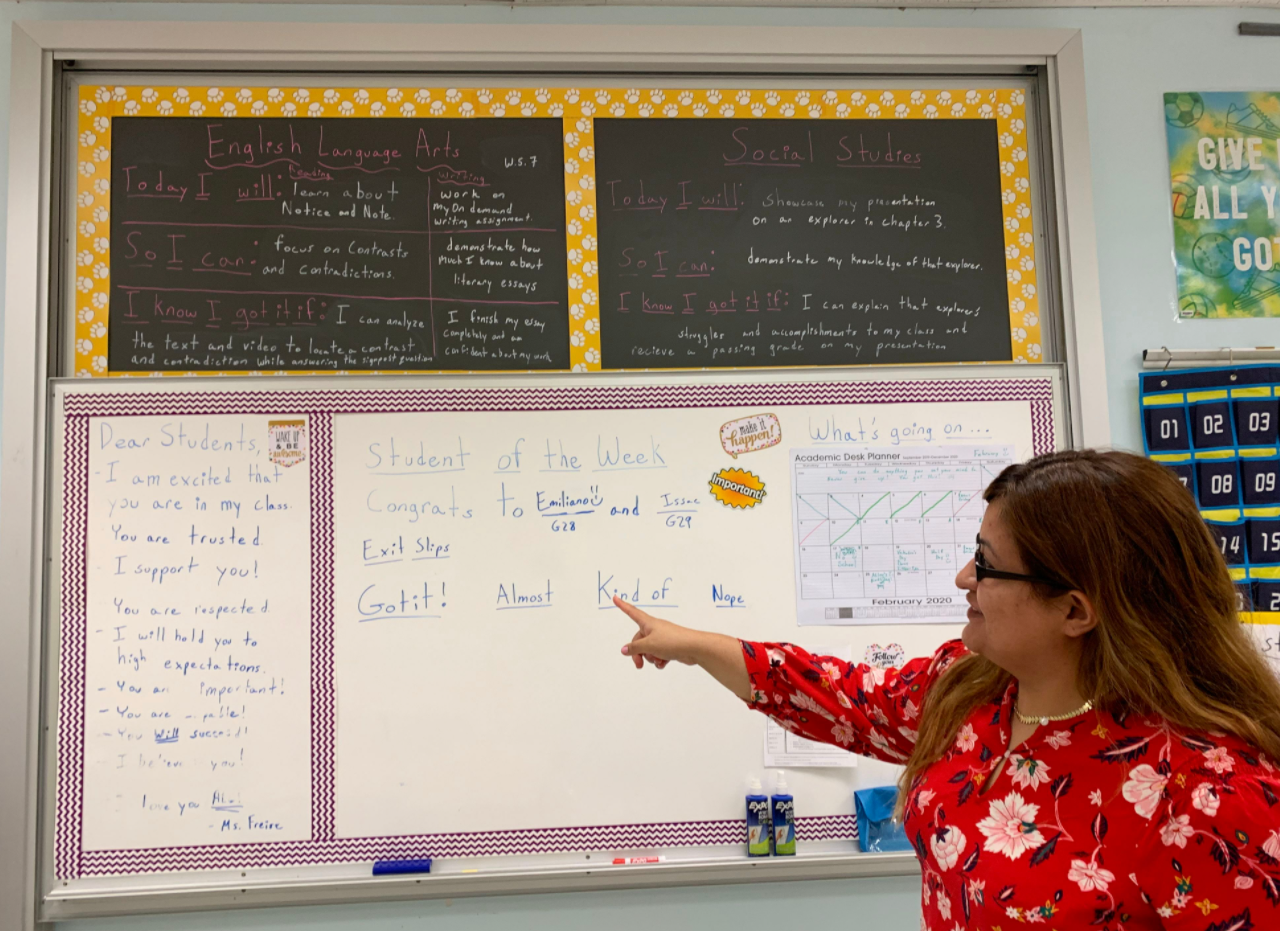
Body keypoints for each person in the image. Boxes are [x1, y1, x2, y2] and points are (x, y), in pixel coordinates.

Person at [613, 450, 1280, 930]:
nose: (964, 577)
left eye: (987, 564)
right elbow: (845, 700)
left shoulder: (1206, 794)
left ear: (1076, 611)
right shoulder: (971, 688)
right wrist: (695, 645)